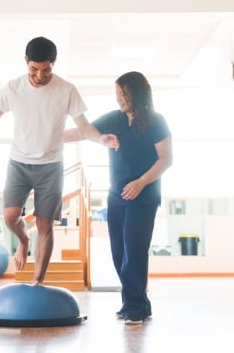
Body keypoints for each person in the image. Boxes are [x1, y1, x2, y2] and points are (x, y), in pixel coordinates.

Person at [0, 36, 119, 285]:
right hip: (19, 163)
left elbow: (84, 126)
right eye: (34, 69)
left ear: (54, 63)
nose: (40, 75)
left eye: (46, 69)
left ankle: (38, 281)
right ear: (26, 62)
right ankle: (24, 240)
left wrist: (101, 140)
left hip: (51, 165)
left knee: (45, 224)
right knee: (10, 217)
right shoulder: (13, 88)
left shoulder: (66, 90)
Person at [64, 71, 172, 324]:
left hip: (144, 196)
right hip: (116, 195)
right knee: (118, 253)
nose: (119, 99)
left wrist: (141, 182)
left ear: (138, 93)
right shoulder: (114, 119)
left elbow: (166, 159)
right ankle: (136, 303)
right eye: (117, 94)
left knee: (134, 253)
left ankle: (135, 306)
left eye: (123, 94)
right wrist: (45, 136)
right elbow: (83, 132)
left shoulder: (157, 121)